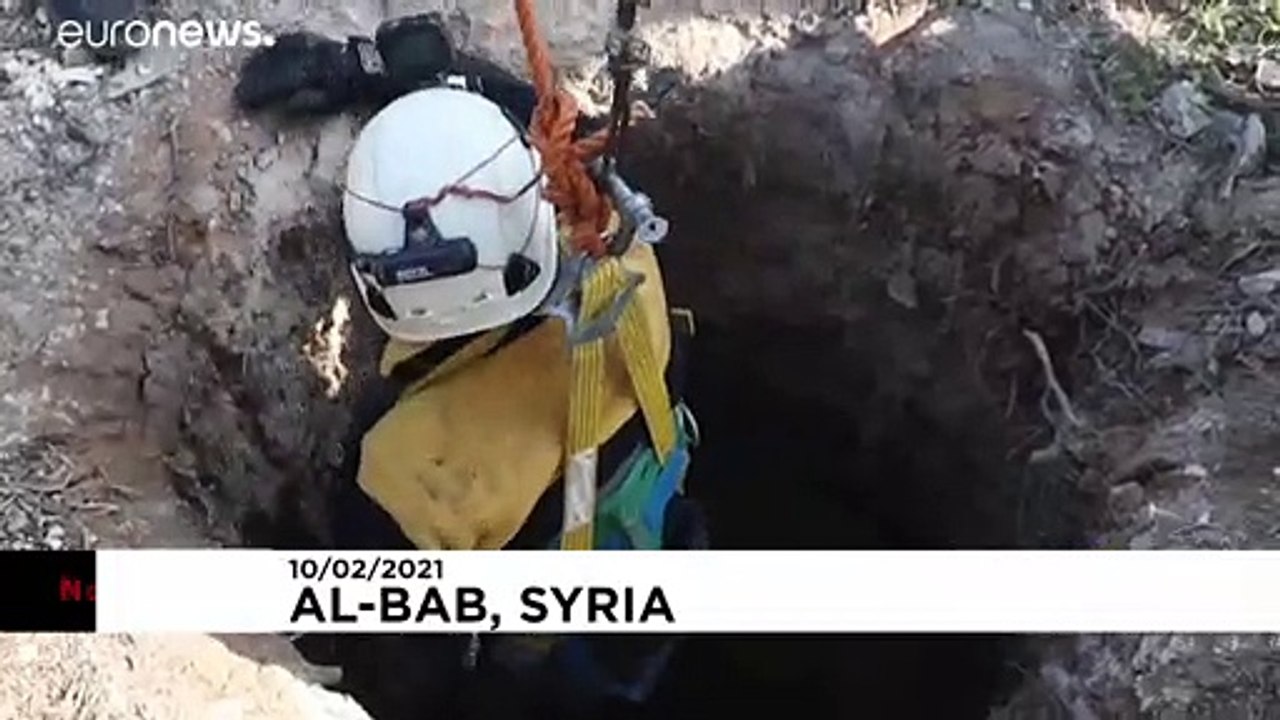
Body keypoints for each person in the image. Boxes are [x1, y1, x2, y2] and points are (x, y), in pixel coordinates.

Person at [233, 13, 707, 720]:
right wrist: (432, 81)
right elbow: (548, 129)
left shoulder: (409, 474)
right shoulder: (619, 245)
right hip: (648, 576)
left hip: (536, 688)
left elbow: (399, 678)